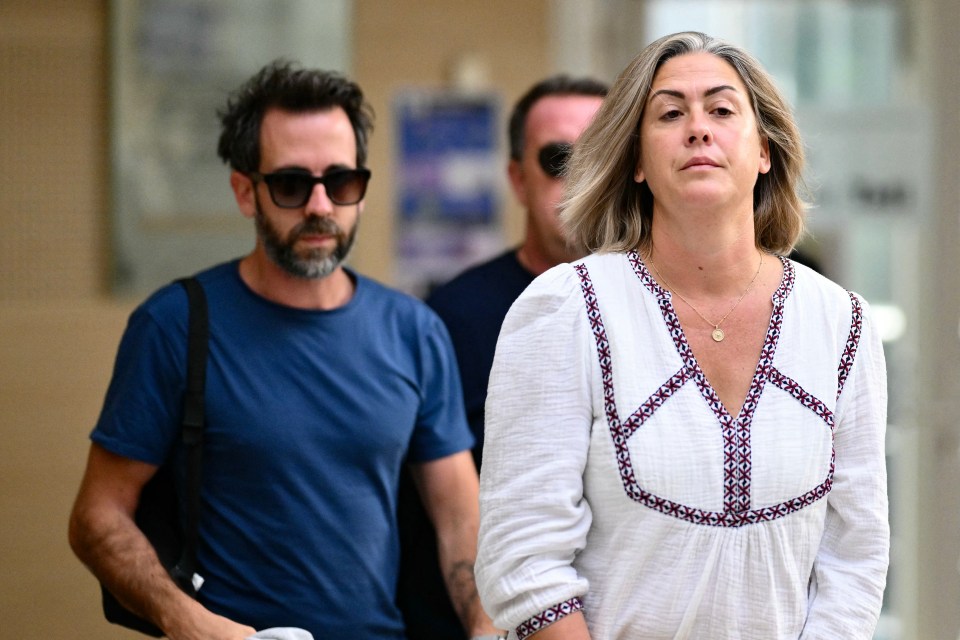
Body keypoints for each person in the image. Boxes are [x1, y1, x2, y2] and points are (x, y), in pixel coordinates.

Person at [476, 31, 889, 640]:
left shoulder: (841, 323)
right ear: (638, 161)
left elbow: (855, 558)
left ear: (765, 151)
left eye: (722, 110)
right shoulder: (567, 309)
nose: (699, 128)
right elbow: (524, 557)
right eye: (670, 113)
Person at [68, 60, 499, 640]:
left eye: (341, 182)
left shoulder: (412, 330)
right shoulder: (175, 325)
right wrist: (190, 623)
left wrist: (484, 624)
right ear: (246, 191)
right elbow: (98, 516)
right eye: (293, 184)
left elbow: (457, 515)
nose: (321, 206)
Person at [396, 75, 607, 639]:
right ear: (517, 177)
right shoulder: (451, 317)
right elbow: (442, 501)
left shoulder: (666, 308)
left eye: (602, 153)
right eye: (559, 157)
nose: (581, 176)